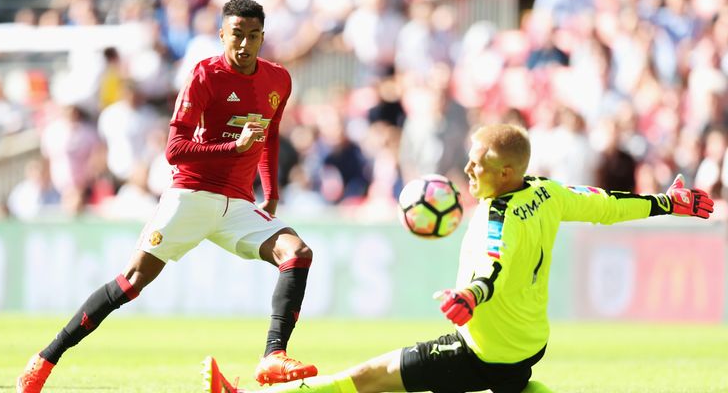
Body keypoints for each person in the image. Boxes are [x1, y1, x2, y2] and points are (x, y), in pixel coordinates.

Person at [203, 123, 714, 393]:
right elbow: (607, 204)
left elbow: (494, 262)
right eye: (471, 156)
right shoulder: (549, 192)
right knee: (506, 382)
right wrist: (671, 202)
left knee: (371, 379)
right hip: (528, 345)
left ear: (509, 172)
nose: (468, 169)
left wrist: (470, 295)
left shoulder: (500, 217)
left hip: (484, 351)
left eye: (481, 164)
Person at [17, 0, 319, 393]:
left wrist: (272, 191)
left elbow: (269, 136)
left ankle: (273, 356)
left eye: (253, 36)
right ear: (222, 35)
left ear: (263, 36)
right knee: (131, 281)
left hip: (239, 205)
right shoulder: (205, 75)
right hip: (191, 196)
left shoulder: (278, 79)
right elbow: (174, 149)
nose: (244, 46)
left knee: (296, 253)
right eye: (236, 36)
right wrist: (233, 148)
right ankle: (45, 359)